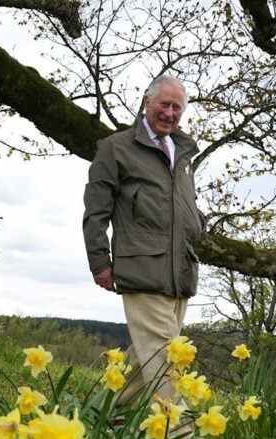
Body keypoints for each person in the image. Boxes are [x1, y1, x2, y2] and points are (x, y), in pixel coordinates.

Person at [82, 75, 202, 404]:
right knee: (167, 357)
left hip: (181, 272)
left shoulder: (183, 152)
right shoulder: (116, 148)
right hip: (141, 268)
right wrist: (99, 263)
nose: (170, 113)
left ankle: (108, 416)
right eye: (164, 104)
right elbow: (96, 212)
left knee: (145, 359)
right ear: (147, 103)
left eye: (177, 107)